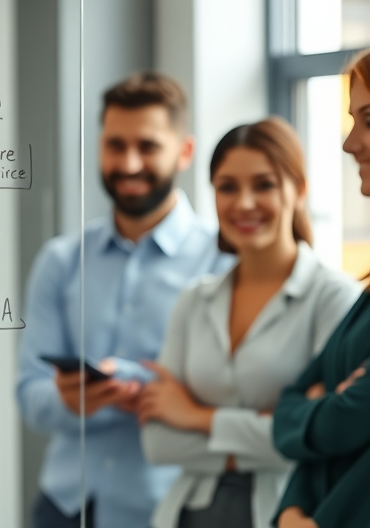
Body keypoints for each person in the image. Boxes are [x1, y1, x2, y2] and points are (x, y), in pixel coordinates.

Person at [17, 71, 233, 528]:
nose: (129, 162)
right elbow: (30, 393)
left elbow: (225, 393)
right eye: (116, 145)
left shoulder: (224, 263)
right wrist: (71, 402)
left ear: (185, 152)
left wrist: (128, 381)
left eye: (148, 146)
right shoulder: (60, 260)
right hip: (64, 505)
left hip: (175, 509)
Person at [137, 117, 360, 528]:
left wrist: (197, 416)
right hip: (185, 515)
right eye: (227, 187)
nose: (243, 203)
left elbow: (328, 435)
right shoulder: (194, 300)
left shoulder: (334, 298)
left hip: (286, 514)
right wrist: (277, 429)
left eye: (264, 184)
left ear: (300, 189)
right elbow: (158, 440)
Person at [273, 35, 370, 528]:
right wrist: (291, 508)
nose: (350, 143)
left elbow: (357, 433)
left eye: (369, 121)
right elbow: (300, 397)